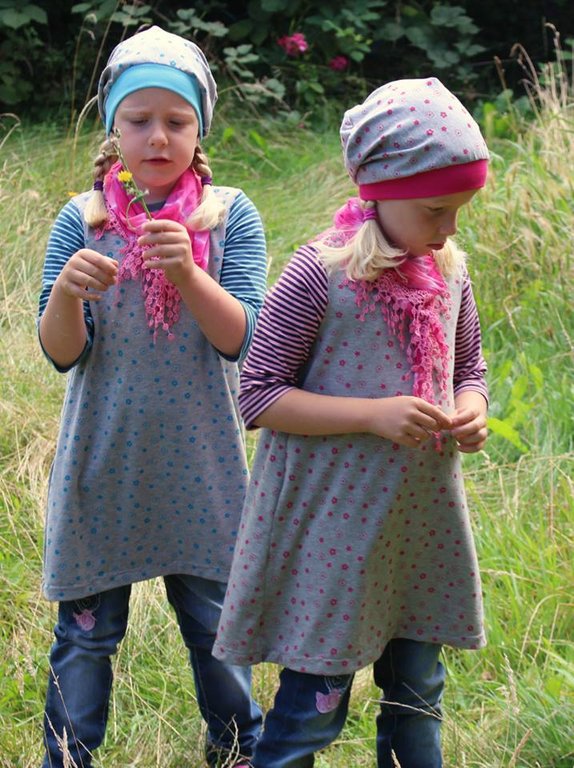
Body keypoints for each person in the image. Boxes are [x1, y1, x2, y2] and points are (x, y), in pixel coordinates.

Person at [213, 77, 491, 768]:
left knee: (418, 695)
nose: (450, 226)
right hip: (333, 538)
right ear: (379, 188)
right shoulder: (320, 275)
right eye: (436, 208)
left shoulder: (448, 271)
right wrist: (373, 415)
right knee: (314, 706)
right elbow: (258, 394)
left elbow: (471, 371)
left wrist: (470, 411)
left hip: (418, 531)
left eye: (460, 208)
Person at [37, 25, 267, 768]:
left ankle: (236, 748)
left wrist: (189, 275)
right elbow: (60, 352)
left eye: (177, 121)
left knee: (215, 627)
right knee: (85, 632)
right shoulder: (86, 220)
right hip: (103, 461)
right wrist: (69, 291)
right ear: (113, 128)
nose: (158, 137)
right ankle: (68, 756)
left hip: (203, 464)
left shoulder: (228, 216)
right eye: (139, 121)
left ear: (199, 129)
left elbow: (246, 341)